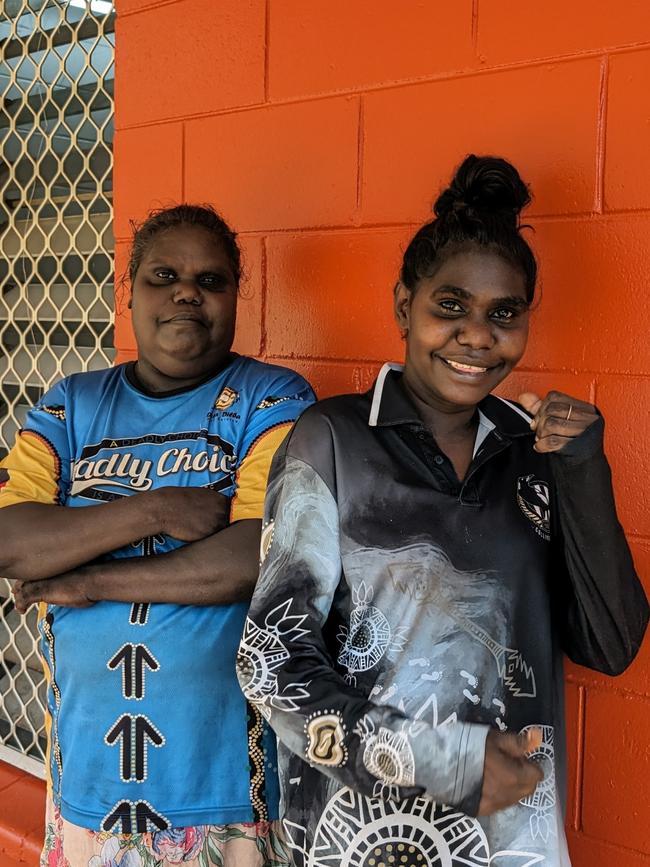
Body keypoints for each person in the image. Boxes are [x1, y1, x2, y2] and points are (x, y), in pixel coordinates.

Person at [236, 156, 649, 866]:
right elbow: (271, 662)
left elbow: (610, 645)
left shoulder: (534, 453)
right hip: (355, 840)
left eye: (504, 314)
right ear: (404, 305)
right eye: (449, 306)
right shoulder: (332, 442)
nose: (477, 335)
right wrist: (440, 760)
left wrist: (582, 470)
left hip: (510, 845)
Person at [0, 204, 314, 867]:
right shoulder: (70, 404)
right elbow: (11, 540)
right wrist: (155, 510)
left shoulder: (272, 398)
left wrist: (86, 576)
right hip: (87, 787)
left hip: (227, 794)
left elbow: (254, 556)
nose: (186, 293)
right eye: (163, 274)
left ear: (236, 293)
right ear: (128, 286)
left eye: (211, 279)